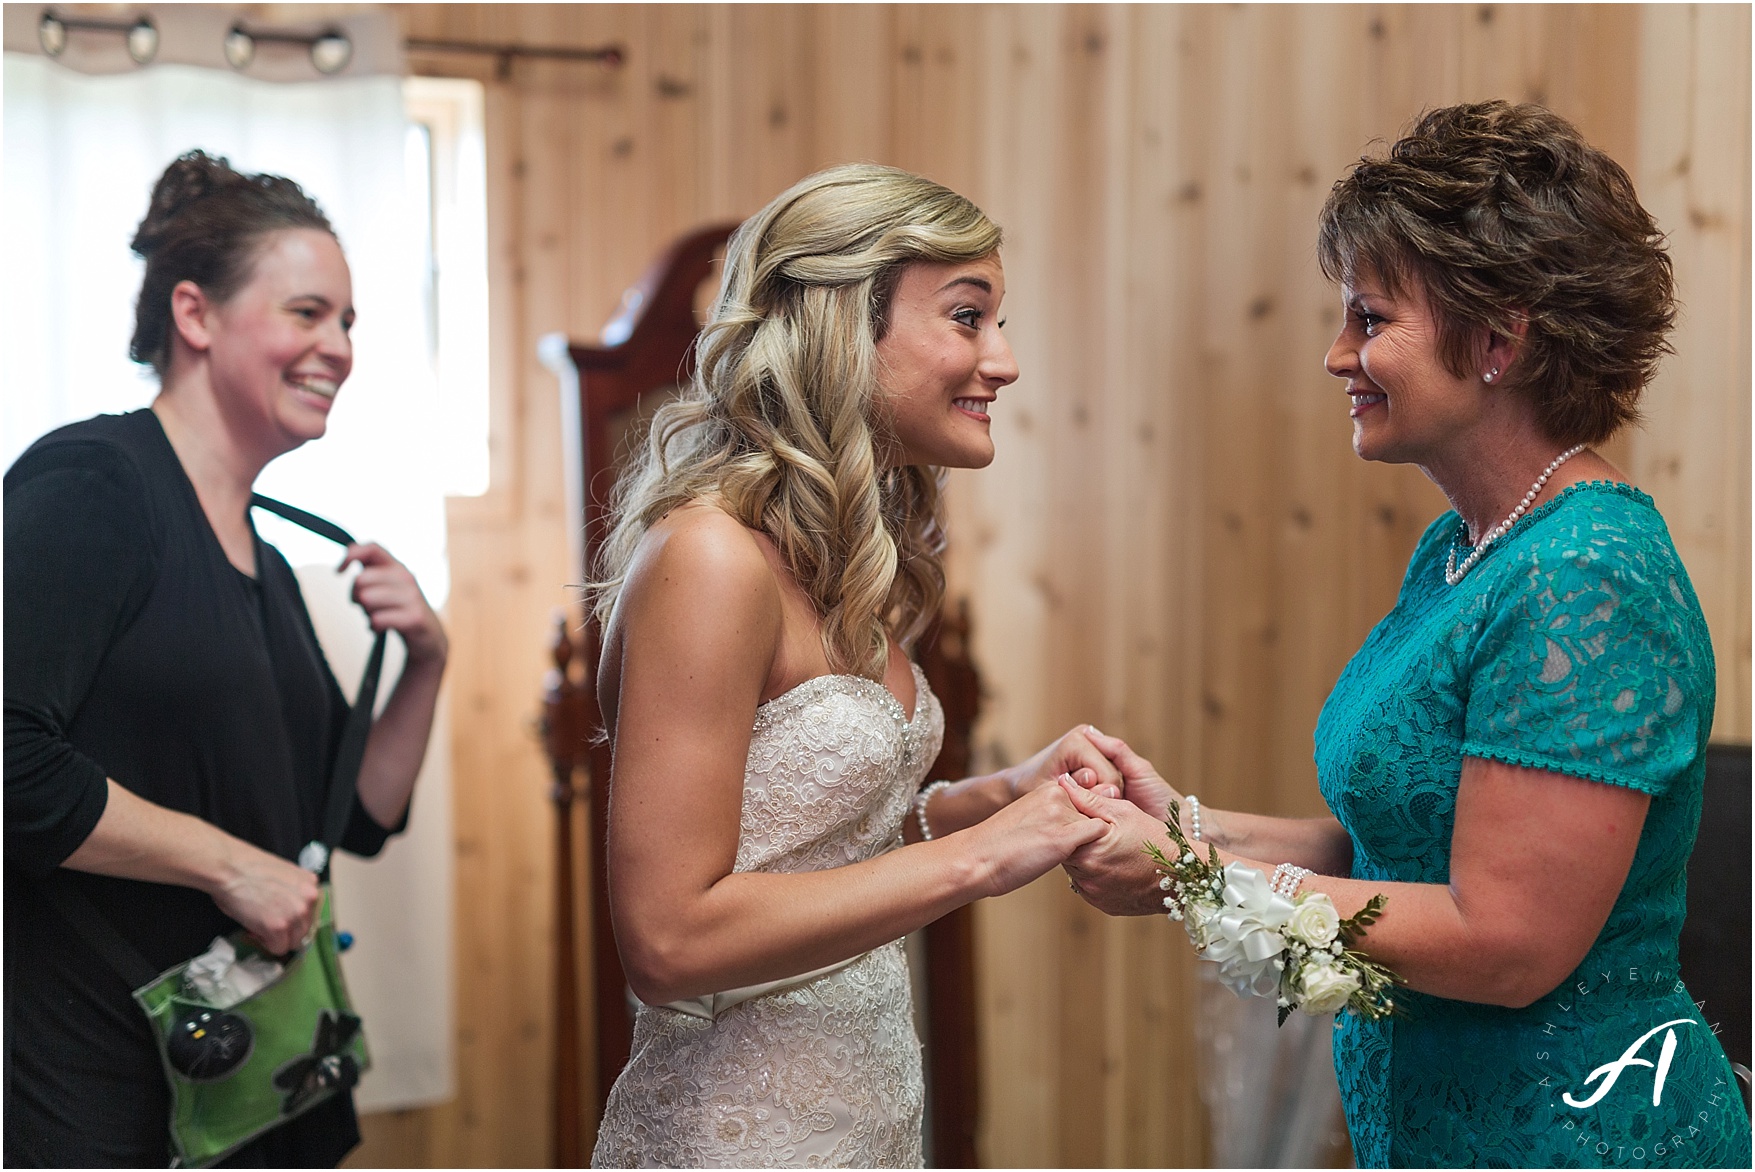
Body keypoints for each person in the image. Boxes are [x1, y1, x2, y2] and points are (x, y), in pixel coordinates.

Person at [1059, 102, 1753, 1168]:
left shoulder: (1587, 575)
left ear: (1497, 341)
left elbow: (1507, 940)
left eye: (1370, 319)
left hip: (1575, 1130)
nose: (1340, 354)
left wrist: (1196, 875)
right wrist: (1190, 822)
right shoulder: (1461, 547)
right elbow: (1400, 848)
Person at [588, 164, 1114, 1168]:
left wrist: (992, 800)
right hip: (736, 1131)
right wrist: (979, 858)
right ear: (840, 326)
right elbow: (670, 939)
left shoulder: (848, 556)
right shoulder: (709, 558)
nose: (1001, 361)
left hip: (863, 1119)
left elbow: (821, 848)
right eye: (969, 316)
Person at [4, 151, 447, 1167]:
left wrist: (428, 659)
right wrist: (231, 864)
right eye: (307, 312)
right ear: (195, 315)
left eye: (349, 322)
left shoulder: (270, 555)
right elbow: (6, 754)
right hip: (104, 1090)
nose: (338, 346)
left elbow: (360, 816)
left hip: (252, 1086)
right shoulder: (92, 485)